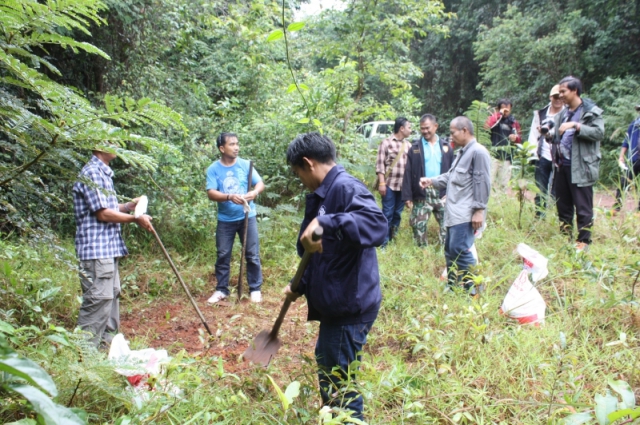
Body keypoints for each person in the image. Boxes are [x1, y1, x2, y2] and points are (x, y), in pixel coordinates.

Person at [283, 133, 387, 421]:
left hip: (348, 307)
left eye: (298, 173)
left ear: (308, 163)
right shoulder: (325, 193)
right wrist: (300, 284)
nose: (301, 180)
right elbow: (320, 252)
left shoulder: (345, 188)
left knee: (339, 389)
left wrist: (326, 221)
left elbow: (377, 225)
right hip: (337, 304)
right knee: (333, 377)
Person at [73, 146, 153, 348]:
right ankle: (85, 352)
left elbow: (107, 207)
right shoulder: (92, 172)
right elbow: (103, 214)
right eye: (113, 142)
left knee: (111, 295)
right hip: (96, 250)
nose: (118, 147)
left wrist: (128, 207)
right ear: (100, 146)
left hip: (107, 249)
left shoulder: (103, 173)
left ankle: (105, 346)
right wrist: (135, 219)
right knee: (98, 298)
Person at [420, 117, 491, 293]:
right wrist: (432, 181)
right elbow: (451, 177)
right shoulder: (462, 153)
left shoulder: (478, 153)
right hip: (453, 212)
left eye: (453, 133)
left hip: (465, 214)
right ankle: (453, 287)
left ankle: (475, 290)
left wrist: (479, 211)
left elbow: (482, 184)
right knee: (450, 250)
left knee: (460, 250)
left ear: (464, 130)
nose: (451, 137)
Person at [206, 132, 265, 303]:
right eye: (232, 144)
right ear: (222, 148)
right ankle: (221, 289)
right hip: (225, 219)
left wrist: (254, 192)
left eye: (237, 144)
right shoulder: (213, 169)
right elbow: (211, 192)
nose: (236, 147)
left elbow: (260, 183)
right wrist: (229, 197)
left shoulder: (245, 165)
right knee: (223, 254)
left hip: (247, 216)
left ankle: (255, 289)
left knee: (252, 254)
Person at [551, 76, 604, 252]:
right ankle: (565, 239)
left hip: (581, 166)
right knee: (563, 205)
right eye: (559, 92)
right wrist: (548, 135)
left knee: (583, 206)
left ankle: (584, 242)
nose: (560, 95)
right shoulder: (563, 113)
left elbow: (598, 133)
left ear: (574, 91)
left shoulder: (591, 112)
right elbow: (558, 136)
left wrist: (576, 125)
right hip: (562, 165)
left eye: (563, 91)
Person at [401, 114, 454, 247]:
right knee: (418, 224)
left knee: (447, 224)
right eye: (422, 128)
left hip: (442, 192)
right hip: (422, 192)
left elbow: (453, 172)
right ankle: (422, 251)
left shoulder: (447, 147)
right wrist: (407, 196)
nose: (425, 131)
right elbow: (408, 172)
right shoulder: (415, 148)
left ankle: (444, 251)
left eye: (427, 128)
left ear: (435, 126)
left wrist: (451, 191)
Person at [528, 85, 565, 217]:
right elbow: (533, 134)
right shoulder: (541, 113)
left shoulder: (567, 113)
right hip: (542, 155)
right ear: (550, 97)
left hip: (560, 157)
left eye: (560, 97)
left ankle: (554, 216)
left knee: (558, 189)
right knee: (540, 188)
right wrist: (532, 154)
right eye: (555, 97)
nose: (558, 100)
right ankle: (540, 216)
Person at [375, 117, 412, 246]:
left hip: (403, 186)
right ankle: (383, 242)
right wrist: (381, 183)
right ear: (401, 128)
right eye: (409, 127)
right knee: (387, 213)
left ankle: (393, 238)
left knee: (397, 214)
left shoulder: (408, 145)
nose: (410, 130)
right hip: (389, 185)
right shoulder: (386, 143)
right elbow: (380, 165)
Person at [484, 99, 522, 192]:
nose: (506, 111)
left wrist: (515, 138)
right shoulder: (494, 118)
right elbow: (486, 126)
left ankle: (502, 200)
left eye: (508, 109)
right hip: (493, 156)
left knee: (504, 184)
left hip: (506, 157)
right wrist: (499, 114)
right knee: (488, 182)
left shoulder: (513, 122)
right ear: (499, 108)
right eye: (504, 108)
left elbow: (519, 138)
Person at [614, 105, 640, 213]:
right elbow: (626, 141)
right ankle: (617, 206)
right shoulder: (634, 124)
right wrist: (621, 157)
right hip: (633, 158)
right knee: (624, 182)